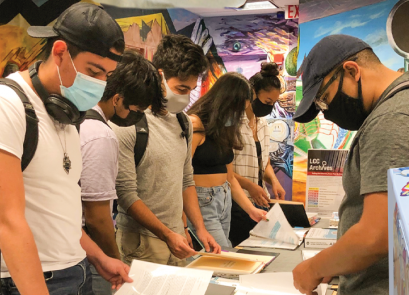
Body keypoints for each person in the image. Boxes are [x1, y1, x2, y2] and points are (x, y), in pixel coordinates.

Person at [0, 3, 131, 294]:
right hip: (22, 281)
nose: (99, 83)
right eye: (94, 70)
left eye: (107, 75)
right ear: (59, 53)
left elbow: (58, 209)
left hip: (76, 271)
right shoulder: (2, 104)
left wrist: (97, 257)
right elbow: (9, 223)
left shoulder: (66, 112)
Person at [292, 36, 409, 295]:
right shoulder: (408, 100)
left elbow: (376, 236)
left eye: (324, 98)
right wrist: (339, 260)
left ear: (352, 71)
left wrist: (312, 269)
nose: (326, 112)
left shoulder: (393, 120)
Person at [114, 34, 219, 265]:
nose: (186, 96)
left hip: (177, 239)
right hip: (141, 243)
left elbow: (186, 180)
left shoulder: (182, 122)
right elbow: (126, 195)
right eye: (181, 88)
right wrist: (166, 234)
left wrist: (199, 230)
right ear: (159, 76)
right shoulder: (130, 121)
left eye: (191, 89)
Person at [80, 52, 160, 295]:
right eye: (136, 109)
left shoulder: (77, 121)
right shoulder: (100, 134)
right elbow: (97, 217)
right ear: (117, 98)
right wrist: (115, 261)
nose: (136, 116)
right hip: (90, 254)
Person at [185, 73, 268, 249]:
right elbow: (182, 177)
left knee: (223, 257)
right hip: (202, 202)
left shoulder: (224, 128)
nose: (238, 117)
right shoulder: (196, 125)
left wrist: (250, 209)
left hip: (223, 200)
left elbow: (230, 178)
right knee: (224, 258)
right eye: (237, 110)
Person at [230, 62, 287, 245]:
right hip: (235, 203)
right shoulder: (231, 125)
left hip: (259, 204)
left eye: (274, 103)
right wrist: (249, 186)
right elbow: (223, 170)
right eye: (267, 102)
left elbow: (264, 162)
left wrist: (274, 181)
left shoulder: (263, 124)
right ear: (252, 92)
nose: (269, 107)